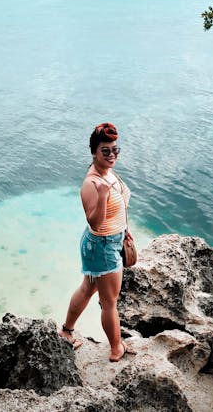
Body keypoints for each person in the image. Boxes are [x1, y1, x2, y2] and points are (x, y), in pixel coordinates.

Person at [59, 122, 136, 362]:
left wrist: (125, 230)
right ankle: (116, 349)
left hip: (108, 241)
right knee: (109, 301)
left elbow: (120, 205)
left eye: (115, 150)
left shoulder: (108, 172)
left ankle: (66, 331)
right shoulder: (91, 184)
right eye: (106, 151)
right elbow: (94, 222)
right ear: (94, 152)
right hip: (101, 245)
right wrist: (102, 197)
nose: (112, 155)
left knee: (89, 287)